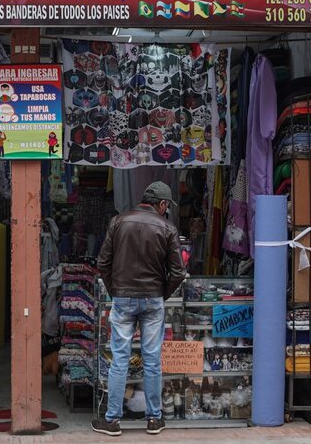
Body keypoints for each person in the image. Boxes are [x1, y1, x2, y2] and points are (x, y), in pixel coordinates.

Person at [92, 181, 186, 437]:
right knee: (152, 361)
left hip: (123, 297)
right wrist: (161, 295)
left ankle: (112, 420)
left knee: (119, 360)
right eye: (167, 206)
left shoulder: (118, 222)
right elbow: (178, 272)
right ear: (162, 204)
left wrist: (115, 291)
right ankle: (154, 419)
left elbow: (103, 263)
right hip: (152, 298)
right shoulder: (167, 228)